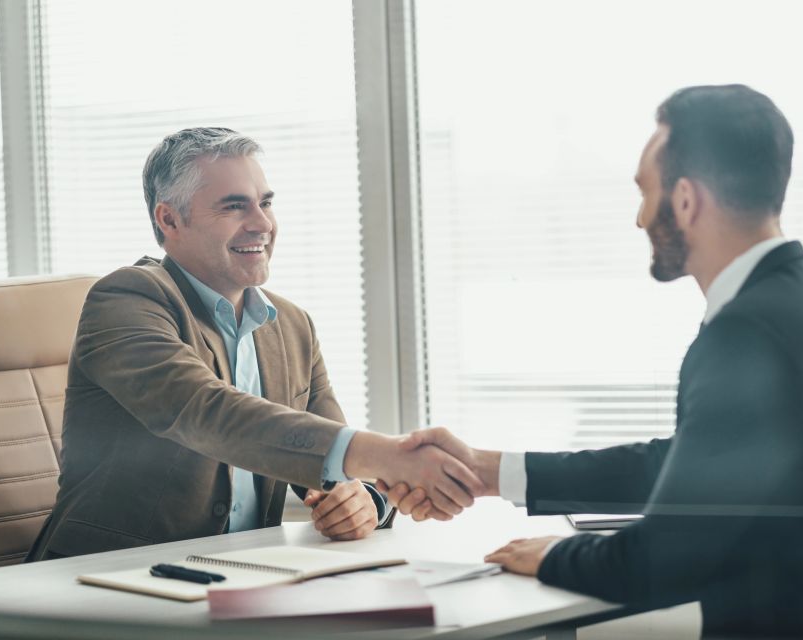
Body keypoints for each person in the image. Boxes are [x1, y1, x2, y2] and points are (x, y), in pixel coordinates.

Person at [381, 86, 803, 637]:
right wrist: (490, 471)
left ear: (687, 200)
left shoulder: (746, 332)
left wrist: (552, 555)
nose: (641, 217)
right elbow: (686, 467)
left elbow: (659, 563)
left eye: (646, 191)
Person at [28, 127, 481, 561]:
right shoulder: (127, 299)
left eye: (265, 203)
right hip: (108, 584)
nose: (262, 223)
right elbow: (204, 412)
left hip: (240, 578)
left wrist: (363, 500)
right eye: (233, 207)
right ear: (169, 219)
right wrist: (389, 455)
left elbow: (330, 456)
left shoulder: (291, 325)